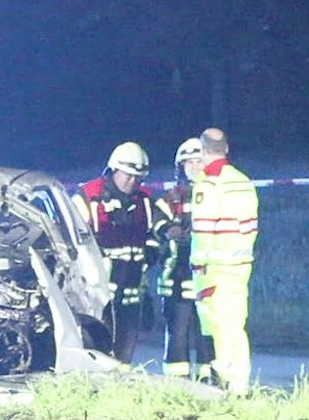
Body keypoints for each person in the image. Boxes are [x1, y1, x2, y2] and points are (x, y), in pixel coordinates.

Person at [74, 141, 162, 364]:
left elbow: (152, 235)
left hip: (131, 295)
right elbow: (75, 241)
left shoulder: (144, 200)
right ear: (114, 169)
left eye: (137, 177)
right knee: (97, 351)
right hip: (98, 296)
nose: (132, 181)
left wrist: (150, 254)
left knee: (124, 357)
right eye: (128, 175)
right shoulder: (89, 197)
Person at [189, 127, 259, 394]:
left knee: (219, 327)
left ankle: (230, 380)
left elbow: (203, 231)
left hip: (213, 268)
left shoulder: (207, 184)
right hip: (240, 265)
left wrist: (198, 265)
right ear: (226, 149)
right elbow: (251, 228)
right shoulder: (243, 181)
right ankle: (239, 381)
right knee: (236, 323)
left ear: (204, 151)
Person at [155, 137, 214, 382]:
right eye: (188, 163)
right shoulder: (171, 198)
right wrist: (168, 230)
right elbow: (156, 223)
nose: (193, 167)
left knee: (205, 334)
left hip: (207, 276)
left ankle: (207, 381)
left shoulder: (214, 193)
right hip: (176, 278)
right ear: (180, 167)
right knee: (177, 334)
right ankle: (176, 384)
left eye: (198, 161)